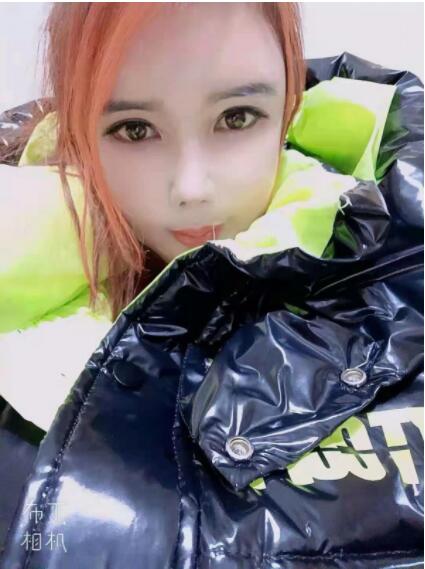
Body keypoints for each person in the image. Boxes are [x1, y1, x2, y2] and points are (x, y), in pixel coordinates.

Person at [0, 3, 423, 568]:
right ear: (79, 133)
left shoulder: (404, 278)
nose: (191, 188)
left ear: (288, 108)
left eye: (237, 117)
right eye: (134, 129)